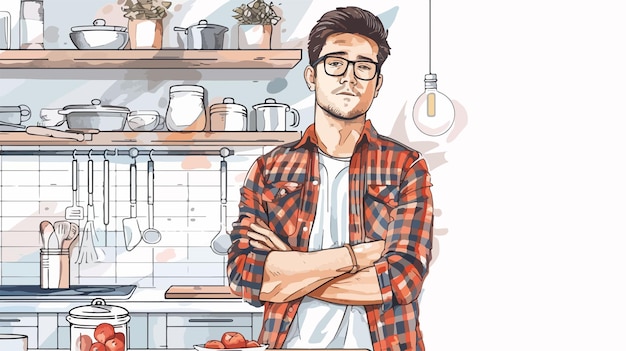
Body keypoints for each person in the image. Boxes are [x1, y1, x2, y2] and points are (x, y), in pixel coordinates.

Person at [227, 6, 434, 351]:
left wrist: (290, 266)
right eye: (335, 63)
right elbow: (244, 274)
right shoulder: (269, 169)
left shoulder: (406, 167)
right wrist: (354, 258)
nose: (349, 78)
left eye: (364, 67)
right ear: (312, 75)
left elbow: (402, 279)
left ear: (377, 83)